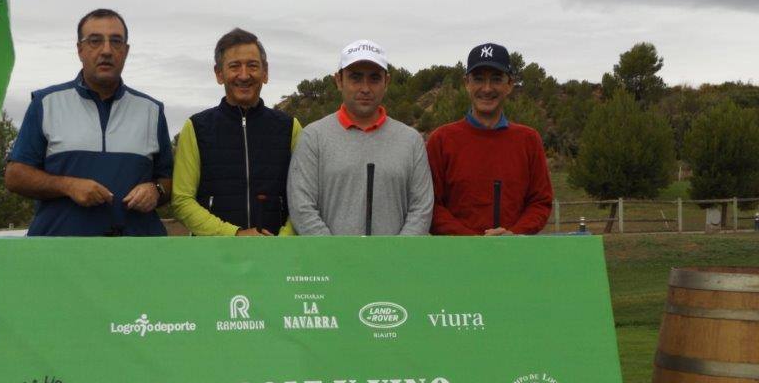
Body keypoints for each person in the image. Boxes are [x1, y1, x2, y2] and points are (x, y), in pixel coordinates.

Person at [5, 8, 173, 236]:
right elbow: (15, 176)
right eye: (95, 41)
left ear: (126, 50)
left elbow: (170, 181)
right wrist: (68, 185)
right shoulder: (46, 103)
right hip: (60, 254)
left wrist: (156, 190)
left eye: (116, 41)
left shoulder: (151, 110)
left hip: (136, 255)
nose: (106, 50)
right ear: (80, 49)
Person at [287, 40, 433, 235]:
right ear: (339, 81)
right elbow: (302, 207)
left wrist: (398, 256)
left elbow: (421, 209)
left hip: (394, 263)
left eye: (374, 78)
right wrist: (337, 257)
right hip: (331, 262)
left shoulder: (411, 141)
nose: (365, 88)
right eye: (356, 78)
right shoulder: (313, 138)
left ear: (386, 82)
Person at [172, 28, 301, 236]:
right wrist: (235, 235)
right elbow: (182, 200)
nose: (244, 75)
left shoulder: (290, 127)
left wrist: (283, 241)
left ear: (265, 72)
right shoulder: (195, 127)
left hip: (277, 254)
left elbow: (304, 198)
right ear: (219, 73)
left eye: (252, 66)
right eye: (234, 66)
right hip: (213, 257)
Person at [426, 42, 553, 235]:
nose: (487, 88)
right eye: (478, 79)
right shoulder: (441, 140)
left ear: (509, 84)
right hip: (456, 258)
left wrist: (514, 235)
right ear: (466, 83)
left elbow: (540, 202)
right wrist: (474, 242)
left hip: (515, 257)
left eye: (496, 79)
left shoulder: (529, 140)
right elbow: (431, 205)